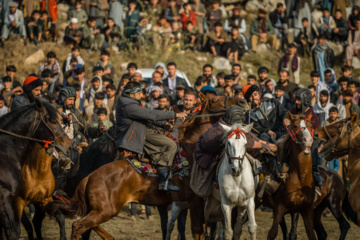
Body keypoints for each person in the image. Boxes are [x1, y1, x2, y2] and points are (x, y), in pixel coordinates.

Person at [191, 105, 277, 198]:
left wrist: (265, 143)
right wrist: (264, 145)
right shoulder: (222, 129)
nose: (241, 119)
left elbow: (248, 134)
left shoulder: (229, 124)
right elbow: (246, 142)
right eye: (240, 117)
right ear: (235, 118)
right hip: (207, 157)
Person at [115, 81, 187, 191]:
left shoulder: (129, 101)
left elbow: (145, 116)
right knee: (171, 145)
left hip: (140, 129)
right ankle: (164, 181)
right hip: (135, 133)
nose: (142, 95)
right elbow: (150, 114)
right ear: (132, 94)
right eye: (139, 93)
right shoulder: (128, 105)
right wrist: (175, 114)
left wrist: (163, 123)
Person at [291, 88, 323, 186]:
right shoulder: (294, 111)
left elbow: (315, 134)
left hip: (307, 144)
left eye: (299, 100)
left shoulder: (313, 116)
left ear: (306, 101)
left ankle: (315, 172)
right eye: (296, 99)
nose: (296, 102)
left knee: (314, 144)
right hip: (295, 141)